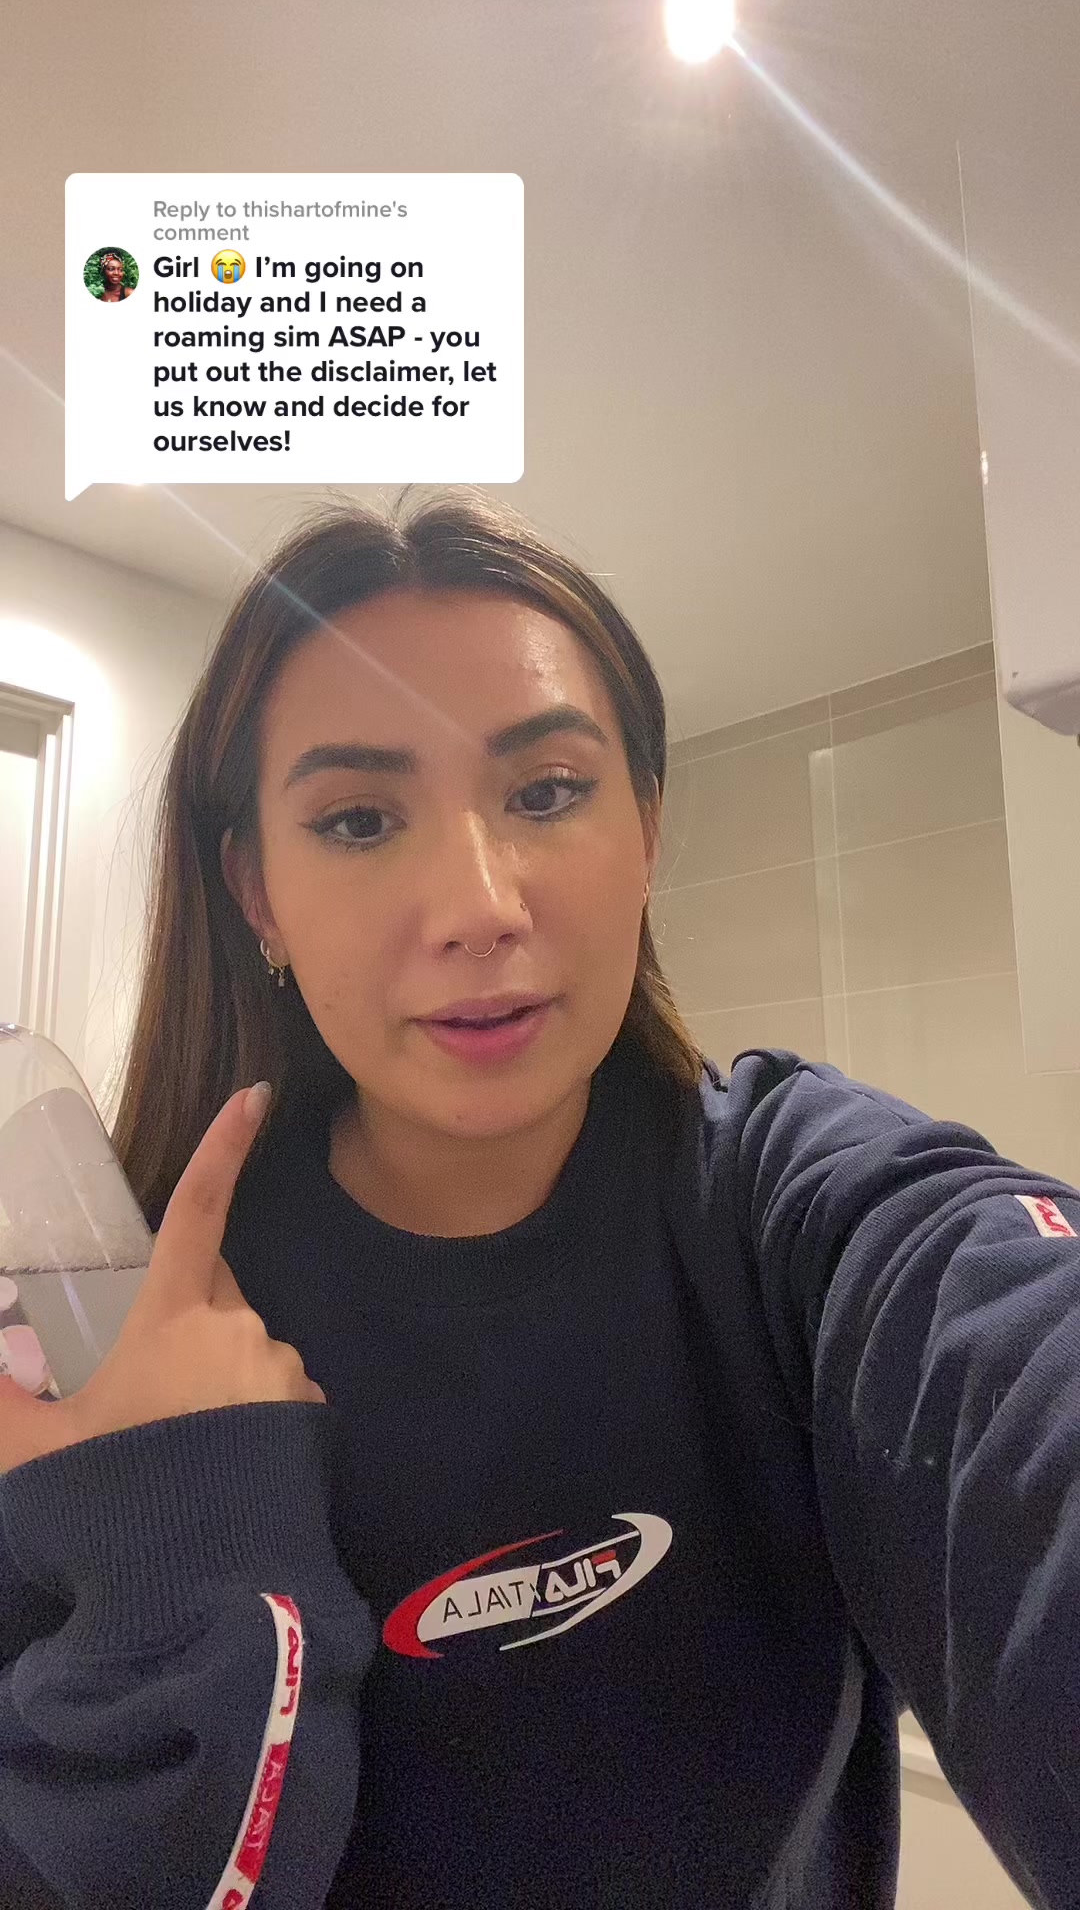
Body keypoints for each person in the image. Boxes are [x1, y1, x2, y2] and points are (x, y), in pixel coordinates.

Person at [0, 489, 1077, 1910]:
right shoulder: (116, 1346)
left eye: (548, 792)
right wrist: (175, 1533)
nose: (479, 906)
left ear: (648, 829)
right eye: (360, 818)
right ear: (257, 894)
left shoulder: (801, 1210)